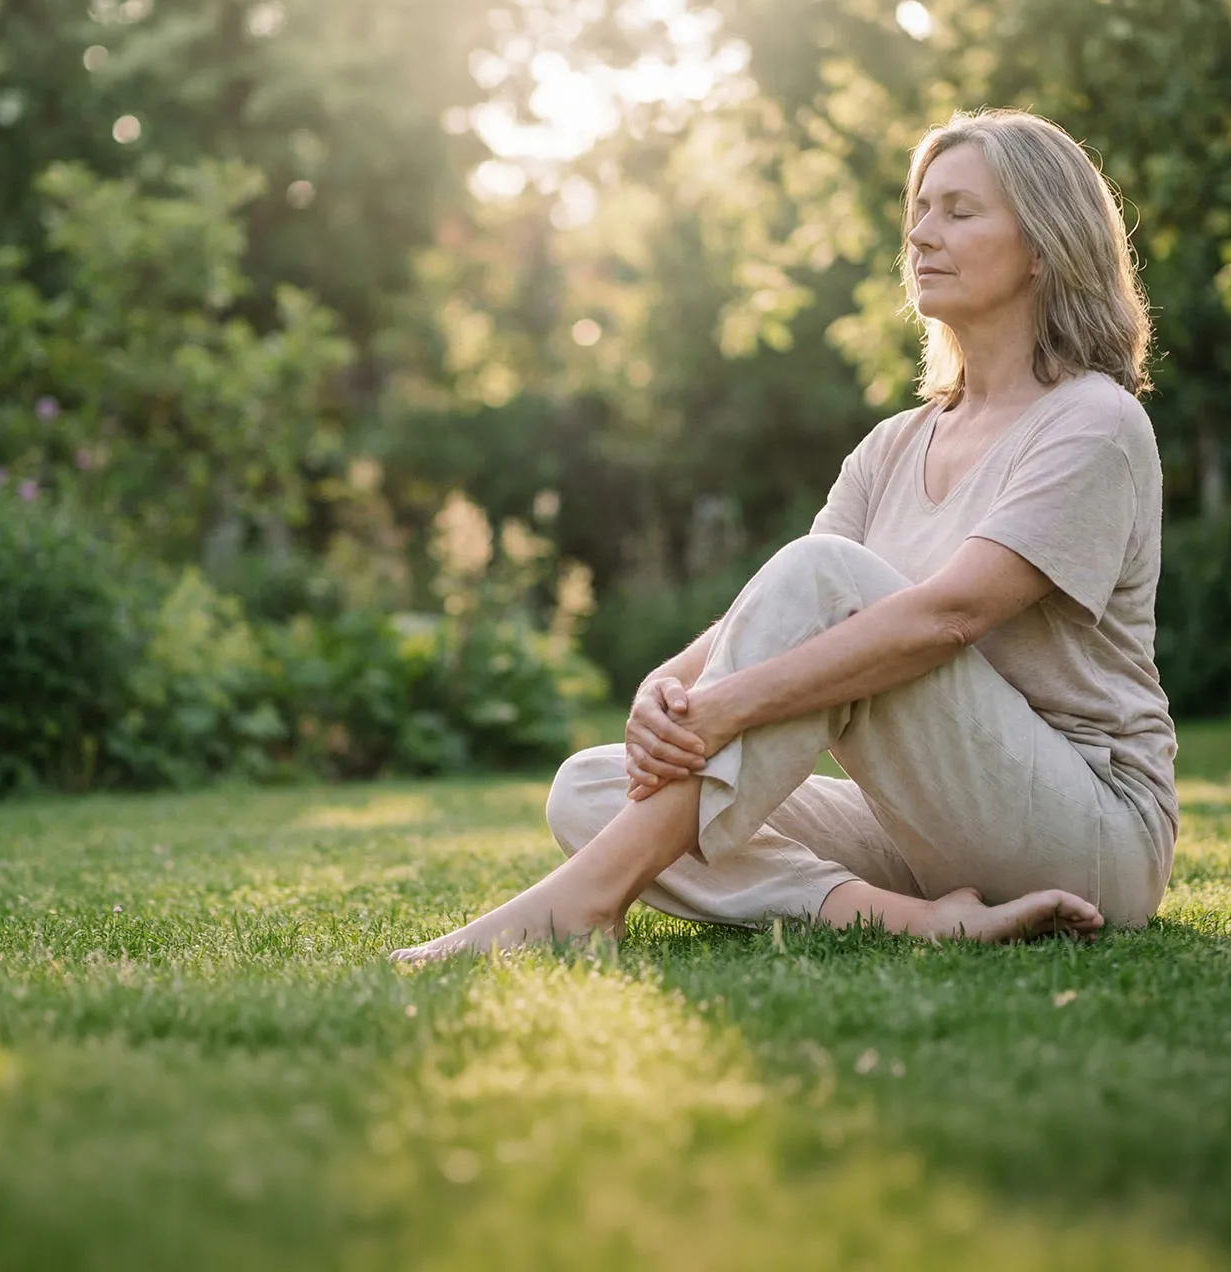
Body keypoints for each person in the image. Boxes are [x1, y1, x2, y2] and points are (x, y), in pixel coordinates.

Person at [395, 109, 1175, 958]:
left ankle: (574, 909)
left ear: (1043, 244)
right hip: (930, 831)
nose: (921, 233)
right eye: (919, 208)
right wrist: (667, 690)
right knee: (592, 789)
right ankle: (913, 917)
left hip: (1091, 833)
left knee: (829, 575)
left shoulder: (1093, 423)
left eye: (959, 211)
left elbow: (944, 615)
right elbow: (776, 611)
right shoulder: (894, 445)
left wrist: (723, 708)